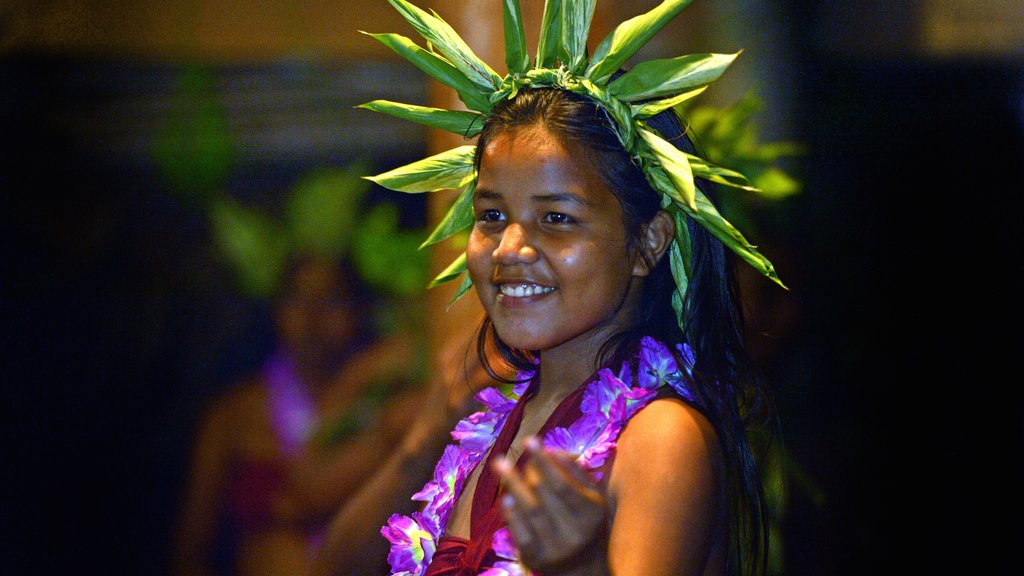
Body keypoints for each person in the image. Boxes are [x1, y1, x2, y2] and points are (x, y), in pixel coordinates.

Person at [328, 1, 785, 574]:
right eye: (491, 215)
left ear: (648, 242)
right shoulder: (489, 422)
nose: (509, 249)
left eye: (557, 218)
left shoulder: (660, 440)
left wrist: (580, 563)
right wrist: (426, 436)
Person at [172, 256, 423, 576]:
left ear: (358, 311)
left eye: (331, 300)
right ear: (276, 308)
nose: (312, 317)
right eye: (297, 298)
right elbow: (192, 547)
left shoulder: (384, 410)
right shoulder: (235, 413)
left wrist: (358, 383)